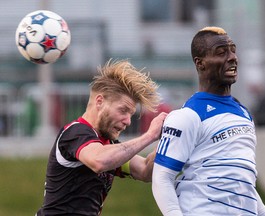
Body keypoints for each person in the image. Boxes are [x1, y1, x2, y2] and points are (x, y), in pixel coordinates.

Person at [152, 27, 265, 216]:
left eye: (233, 50)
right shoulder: (187, 116)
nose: (232, 57)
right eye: (221, 53)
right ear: (200, 63)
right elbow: (161, 178)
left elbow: (241, 181)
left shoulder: (243, 113)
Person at [36, 59, 167, 215]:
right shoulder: (76, 132)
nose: (128, 121)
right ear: (100, 102)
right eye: (123, 110)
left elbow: (145, 170)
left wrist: (169, 138)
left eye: (131, 114)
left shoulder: (107, 145)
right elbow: (99, 161)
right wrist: (150, 135)